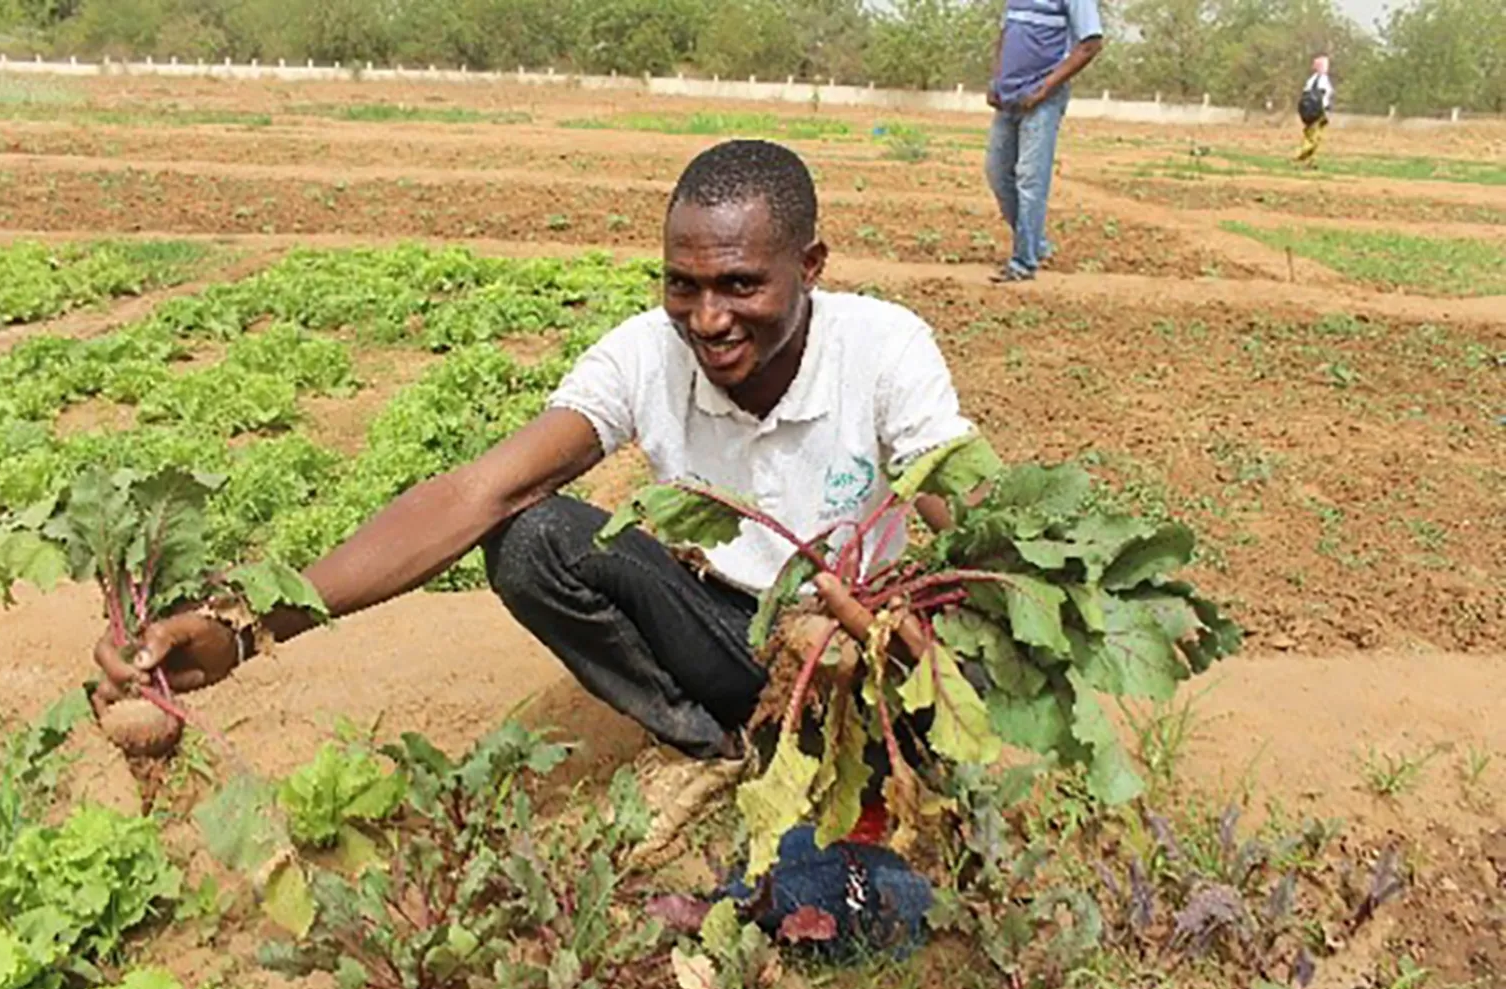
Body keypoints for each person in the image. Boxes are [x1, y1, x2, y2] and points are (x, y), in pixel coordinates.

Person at [93, 139, 976, 871]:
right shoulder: (643, 355)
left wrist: (948, 627)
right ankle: (715, 747)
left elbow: (972, 511)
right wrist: (246, 623)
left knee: (938, 664)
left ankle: (873, 756)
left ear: (811, 266)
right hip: (723, 639)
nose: (708, 319)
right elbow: (481, 491)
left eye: (741, 285)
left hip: (857, 644)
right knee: (534, 536)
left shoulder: (884, 347)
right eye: (683, 285)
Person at [984, 0, 1105, 283]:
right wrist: (996, 79)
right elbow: (1005, 33)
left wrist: (1045, 88)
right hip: (1009, 96)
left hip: (1043, 100)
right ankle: (1036, 244)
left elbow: (1091, 43)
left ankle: (1024, 263)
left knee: (1030, 179)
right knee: (997, 172)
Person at [1296, 54, 1334, 167]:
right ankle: (1304, 157)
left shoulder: (1317, 79)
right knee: (1313, 136)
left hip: (1315, 111)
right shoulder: (1316, 80)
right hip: (1314, 111)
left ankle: (1306, 158)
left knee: (1312, 135)